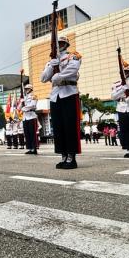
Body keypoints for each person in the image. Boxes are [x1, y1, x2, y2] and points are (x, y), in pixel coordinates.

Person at [41, 36, 82, 169]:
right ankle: (63, 156)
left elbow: (73, 70)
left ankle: (72, 157)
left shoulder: (72, 56)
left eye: (62, 43)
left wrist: (59, 76)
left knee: (70, 126)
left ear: (66, 45)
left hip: (69, 92)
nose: (59, 45)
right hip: (55, 96)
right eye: (57, 44)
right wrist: (51, 66)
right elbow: (43, 78)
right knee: (58, 128)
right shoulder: (51, 61)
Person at [18, 84, 38, 155]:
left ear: (30, 89)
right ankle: (30, 148)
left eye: (27, 89)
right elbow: (18, 108)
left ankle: (34, 148)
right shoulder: (24, 98)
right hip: (25, 118)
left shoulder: (33, 96)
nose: (26, 90)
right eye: (25, 89)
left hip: (31, 116)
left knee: (33, 133)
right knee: (27, 134)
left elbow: (33, 105)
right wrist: (21, 102)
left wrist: (24, 108)